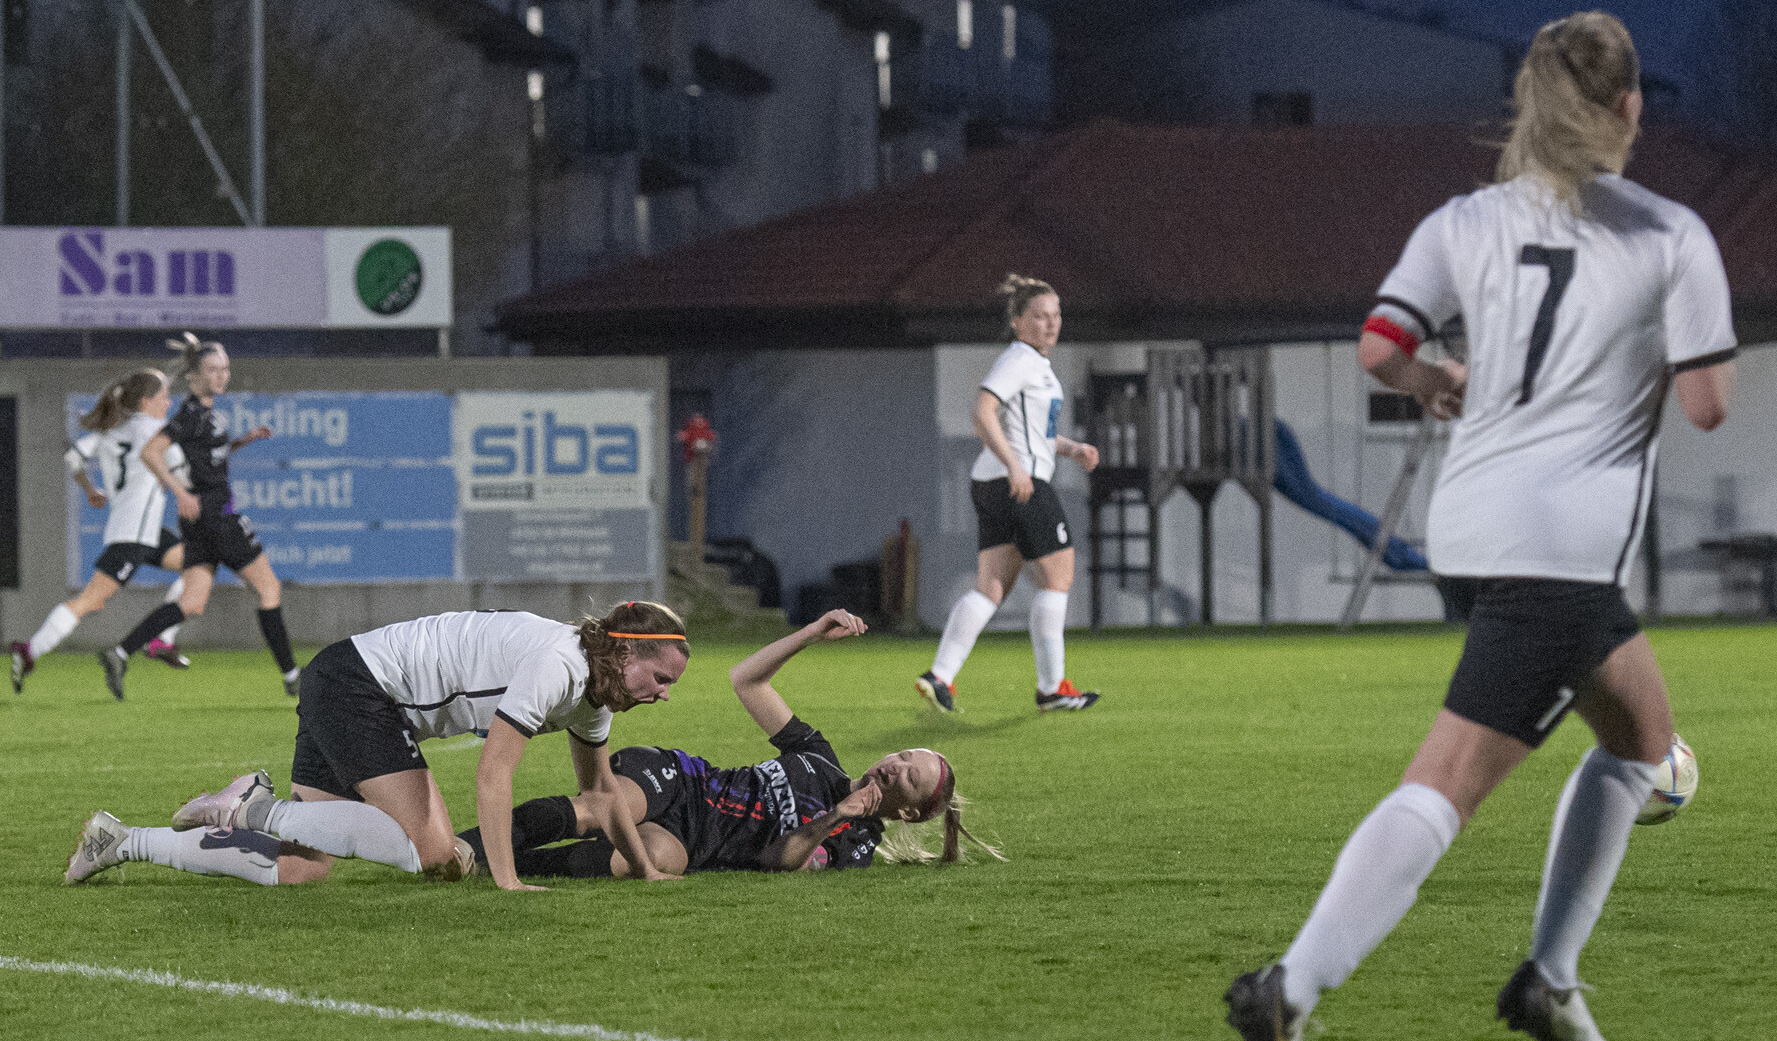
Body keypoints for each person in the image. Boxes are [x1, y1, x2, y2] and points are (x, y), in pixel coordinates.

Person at [1225, 12, 1737, 1041]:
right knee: (1448, 783)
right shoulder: (1669, 234)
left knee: (1643, 741)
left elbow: (1381, 348)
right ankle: (1288, 988)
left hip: (1471, 528)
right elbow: (1706, 405)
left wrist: (1440, 379)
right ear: (1630, 107)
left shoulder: (1462, 220)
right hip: (1558, 548)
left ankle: (1548, 980)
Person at [64, 601, 692, 892]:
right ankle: (252, 809)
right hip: (359, 689)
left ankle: (121, 841)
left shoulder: (593, 694)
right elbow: (493, 775)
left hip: (349, 684)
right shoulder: (561, 664)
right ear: (625, 652)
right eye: (660, 678)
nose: (663, 694)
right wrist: (508, 881)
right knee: (437, 855)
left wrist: (642, 869)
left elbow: (601, 793)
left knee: (301, 868)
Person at [466, 609, 967, 879]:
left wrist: (836, 817)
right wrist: (810, 634)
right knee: (600, 808)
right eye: (903, 755)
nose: (896, 766)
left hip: (695, 842)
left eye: (911, 777)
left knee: (654, 861)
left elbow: (779, 861)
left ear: (909, 813)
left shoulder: (855, 845)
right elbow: (746, 679)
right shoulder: (819, 757)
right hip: (683, 781)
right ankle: (464, 845)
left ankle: (492, 866)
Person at [918, 274, 1101, 715]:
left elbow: (1031, 433)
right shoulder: (1020, 358)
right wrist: (1016, 466)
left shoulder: (1035, 364)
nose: (1050, 323)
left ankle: (939, 676)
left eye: (1056, 315)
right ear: (1017, 321)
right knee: (1058, 579)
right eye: (1039, 316)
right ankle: (1052, 688)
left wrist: (1070, 448)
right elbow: (982, 410)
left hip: (992, 483)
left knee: (991, 588)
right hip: (1020, 482)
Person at [98, 333, 297, 701]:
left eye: (225, 369)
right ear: (195, 375)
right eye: (213, 370)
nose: (221, 376)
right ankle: (292, 675)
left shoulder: (206, 414)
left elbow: (207, 457)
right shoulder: (191, 414)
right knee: (269, 589)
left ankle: (120, 652)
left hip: (198, 523)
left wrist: (241, 441)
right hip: (218, 517)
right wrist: (180, 491)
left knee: (191, 602)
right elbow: (151, 452)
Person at [9, 369, 190, 692]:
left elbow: (73, 457)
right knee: (89, 601)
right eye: (164, 397)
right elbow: (185, 473)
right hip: (134, 537)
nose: (169, 402)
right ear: (146, 401)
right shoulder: (157, 434)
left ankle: (162, 640)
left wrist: (90, 490)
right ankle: (29, 651)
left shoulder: (111, 431)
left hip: (141, 531)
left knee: (197, 568)